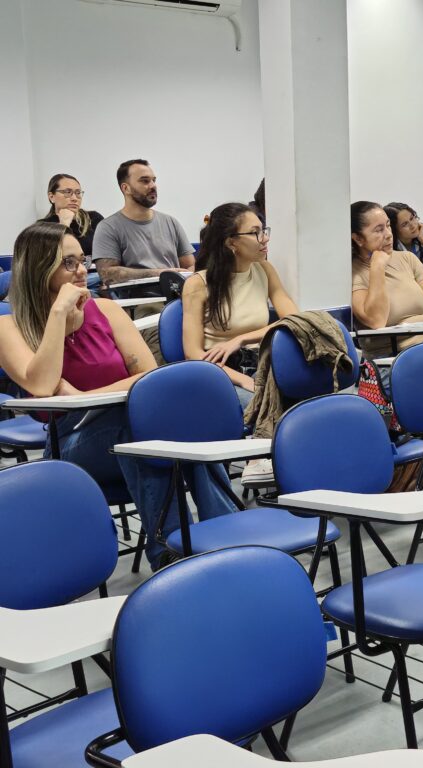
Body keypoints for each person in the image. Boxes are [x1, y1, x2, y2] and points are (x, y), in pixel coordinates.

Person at [0, 222, 236, 571]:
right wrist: (58, 313)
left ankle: (223, 538)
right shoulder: (9, 327)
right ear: (39, 268)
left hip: (131, 431)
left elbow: (150, 378)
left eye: (83, 260)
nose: (82, 270)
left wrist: (84, 394)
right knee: (135, 431)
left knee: (174, 428)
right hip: (70, 442)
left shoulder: (107, 311)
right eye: (68, 263)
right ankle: (173, 558)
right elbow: (42, 385)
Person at [183, 202, 298, 481]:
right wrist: (242, 379)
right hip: (222, 372)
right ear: (232, 243)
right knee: (264, 401)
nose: (265, 239)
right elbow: (193, 355)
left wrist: (241, 338)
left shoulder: (264, 270)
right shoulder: (198, 284)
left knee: (314, 391)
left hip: (266, 362)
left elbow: (293, 319)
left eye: (264, 230)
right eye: (256, 233)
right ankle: (265, 462)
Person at [91, 158, 196, 361]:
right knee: (161, 339)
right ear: (126, 188)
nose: (153, 186)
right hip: (142, 302)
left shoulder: (170, 222)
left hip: (181, 296)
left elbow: (189, 264)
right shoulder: (109, 227)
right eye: (145, 181)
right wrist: (159, 274)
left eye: (154, 180)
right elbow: (108, 273)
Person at [350, 200, 423, 365]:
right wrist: (377, 266)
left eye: (388, 226)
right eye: (379, 230)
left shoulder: (408, 259)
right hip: (391, 361)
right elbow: (376, 320)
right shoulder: (354, 273)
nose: (388, 234)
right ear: (359, 238)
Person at [37, 173, 105, 256]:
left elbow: (109, 249)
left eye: (78, 193)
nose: (74, 198)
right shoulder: (42, 227)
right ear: (51, 197)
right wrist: (64, 224)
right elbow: (49, 258)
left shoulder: (93, 218)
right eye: (68, 192)